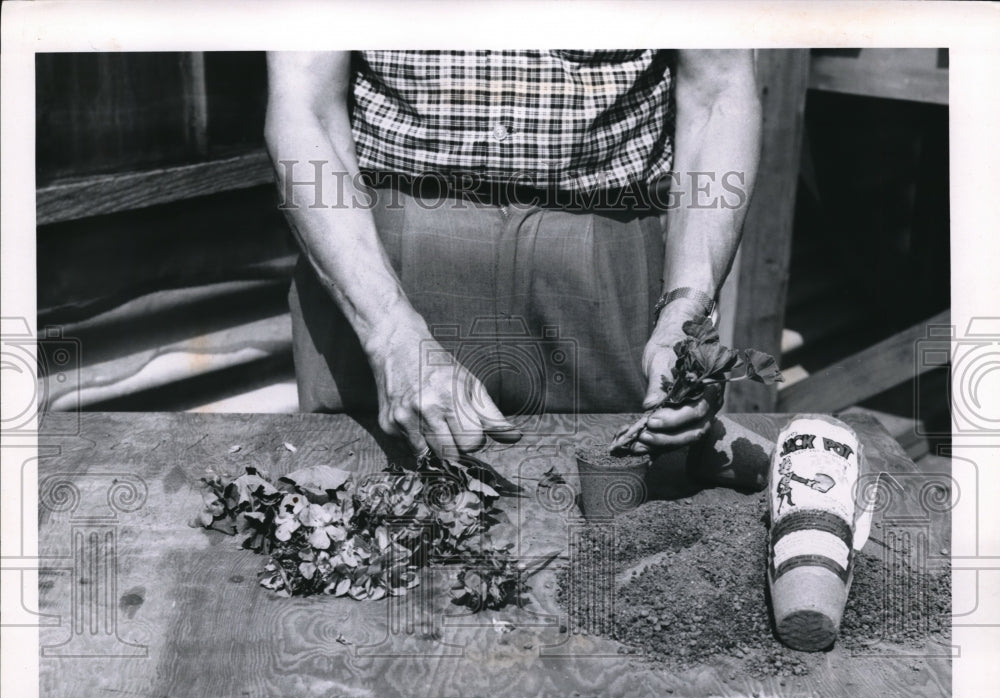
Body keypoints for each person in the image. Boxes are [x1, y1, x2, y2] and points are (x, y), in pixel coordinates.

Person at [264, 50, 762, 460]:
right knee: (365, 527)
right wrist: (390, 334)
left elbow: (719, 94)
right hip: (382, 264)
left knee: (613, 539)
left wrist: (684, 313)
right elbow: (304, 106)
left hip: (601, 271)